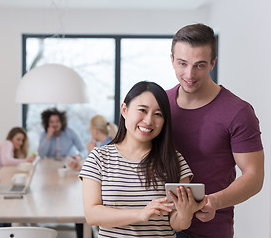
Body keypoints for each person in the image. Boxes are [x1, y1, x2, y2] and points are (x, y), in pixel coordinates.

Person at [167, 23, 264, 238]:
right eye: (182, 63)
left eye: (200, 65)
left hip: (210, 231)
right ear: (172, 60)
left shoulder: (238, 111)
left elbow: (254, 176)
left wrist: (214, 201)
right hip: (157, 229)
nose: (189, 74)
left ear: (213, 63)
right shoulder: (159, 106)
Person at [79, 81, 206, 237]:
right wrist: (141, 214)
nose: (148, 121)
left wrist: (186, 213)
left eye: (158, 114)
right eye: (142, 110)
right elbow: (92, 215)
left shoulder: (175, 160)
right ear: (124, 110)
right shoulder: (99, 158)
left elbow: (177, 224)